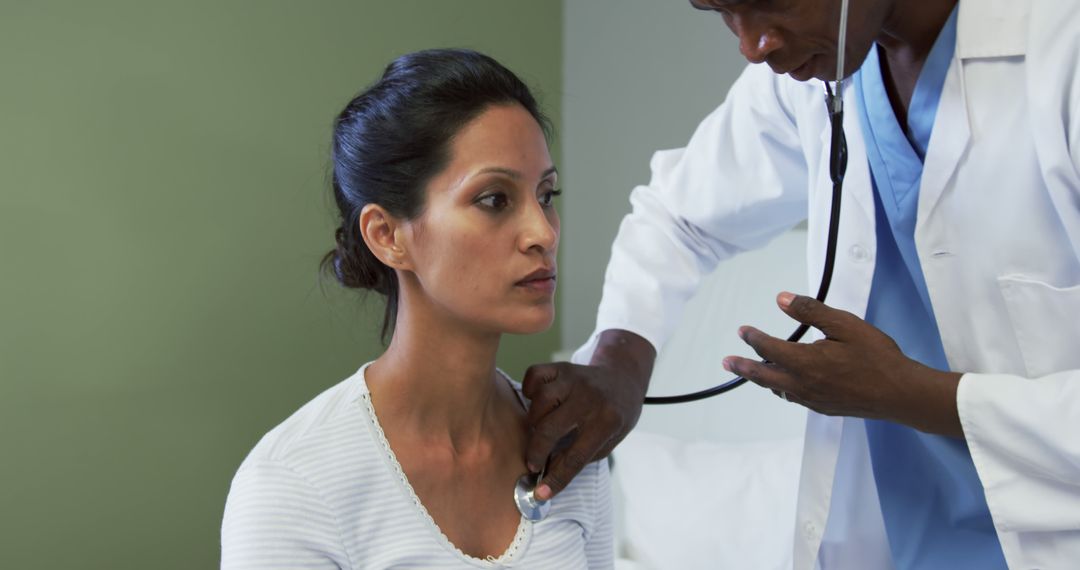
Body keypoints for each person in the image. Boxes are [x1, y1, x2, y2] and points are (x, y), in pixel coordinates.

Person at [520, 0, 1080, 568]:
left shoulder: (1062, 50)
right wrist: (619, 364)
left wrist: (909, 394)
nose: (751, 45)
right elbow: (677, 216)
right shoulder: (819, 74)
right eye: (720, 11)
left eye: (768, 1)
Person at [220, 48, 613, 569]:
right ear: (387, 236)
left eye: (546, 195)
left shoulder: (571, 457)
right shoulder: (294, 484)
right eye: (495, 199)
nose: (543, 233)